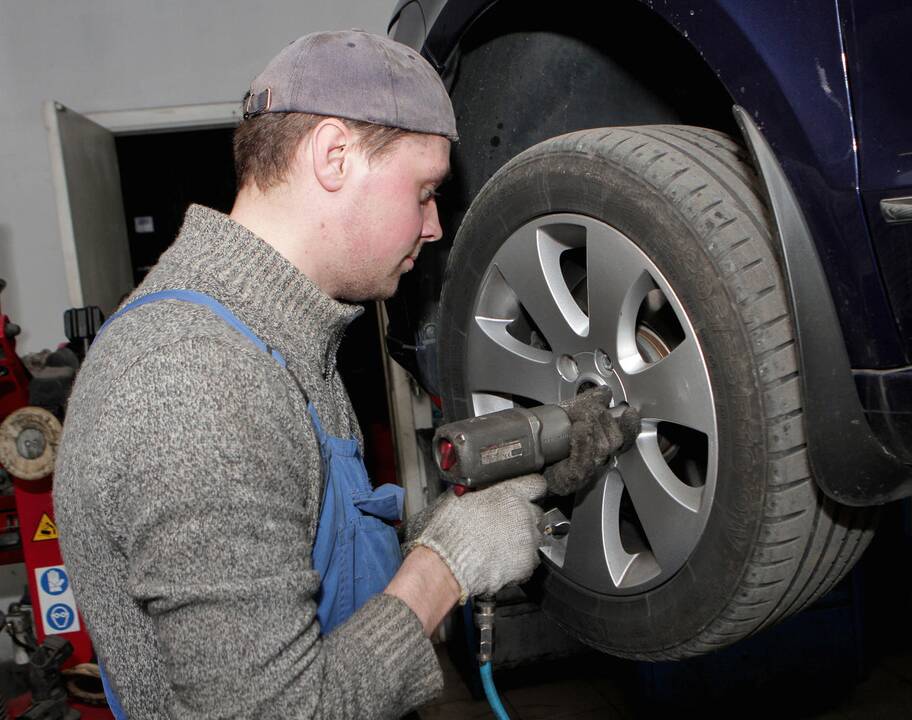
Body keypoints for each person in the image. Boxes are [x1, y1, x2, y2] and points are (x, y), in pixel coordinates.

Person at [53, 29, 636, 720]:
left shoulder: (275, 338)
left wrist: (512, 489)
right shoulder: (192, 384)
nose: (433, 227)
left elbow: (306, 573)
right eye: (424, 192)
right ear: (334, 156)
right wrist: (442, 570)